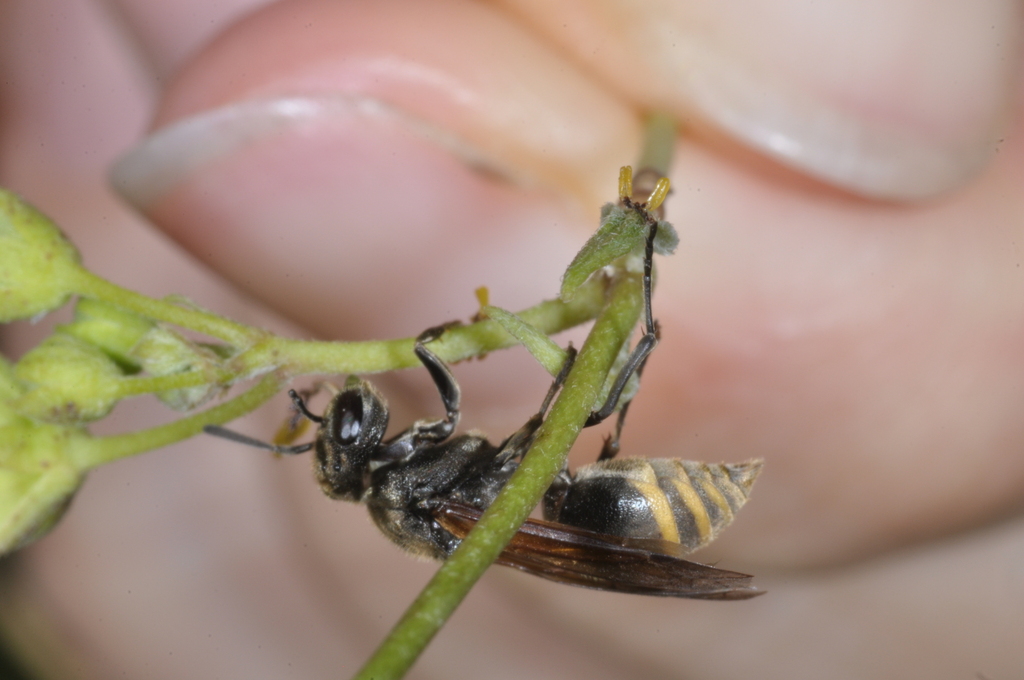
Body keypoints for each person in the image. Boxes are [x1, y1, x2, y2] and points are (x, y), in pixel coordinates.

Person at [1, 1, 1021, 678]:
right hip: (632, 502)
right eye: (337, 438)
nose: (335, 419)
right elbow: (467, 409)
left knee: (572, 397)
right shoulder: (427, 489)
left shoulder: (409, 482)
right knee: (571, 410)